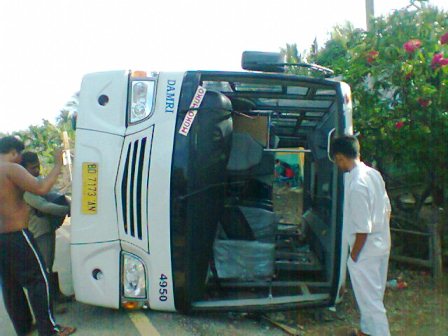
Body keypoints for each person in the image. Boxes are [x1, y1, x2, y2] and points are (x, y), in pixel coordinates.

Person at [0, 136, 76, 336]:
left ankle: (24, 329)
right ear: (14, 152)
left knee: (10, 286)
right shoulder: (10, 169)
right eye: (19, 156)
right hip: (17, 235)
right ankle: (49, 329)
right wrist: (58, 164)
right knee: (38, 280)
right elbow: (41, 188)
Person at [331, 135, 391, 336]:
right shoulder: (373, 174)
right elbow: (387, 209)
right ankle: (366, 332)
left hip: (365, 250)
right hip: (381, 243)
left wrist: (354, 256)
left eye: (337, 161)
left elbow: (363, 230)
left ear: (340, 157)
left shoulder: (357, 184)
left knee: (370, 301)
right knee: (373, 295)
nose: (338, 166)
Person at [20, 151, 72, 306]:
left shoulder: (37, 181)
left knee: (48, 265)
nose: (37, 170)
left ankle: (55, 297)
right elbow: (44, 206)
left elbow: (55, 194)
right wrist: (68, 210)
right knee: (44, 267)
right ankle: (49, 304)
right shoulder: (25, 187)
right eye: (33, 168)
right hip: (39, 232)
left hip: (46, 229)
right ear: (24, 169)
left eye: (38, 166)